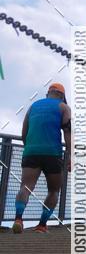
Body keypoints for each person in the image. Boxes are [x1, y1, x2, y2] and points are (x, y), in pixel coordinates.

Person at [12, 84, 71, 233]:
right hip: (53, 153)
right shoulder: (63, 107)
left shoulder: (33, 106)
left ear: (48, 94)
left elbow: (24, 132)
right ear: (62, 96)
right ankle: (42, 225)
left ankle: (18, 218)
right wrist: (71, 155)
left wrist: (29, 148)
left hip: (31, 151)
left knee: (25, 187)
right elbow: (68, 133)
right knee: (53, 191)